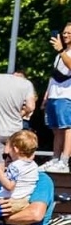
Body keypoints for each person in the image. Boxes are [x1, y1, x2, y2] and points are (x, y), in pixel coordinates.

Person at [0, 69, 35, 161]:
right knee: (16, 163)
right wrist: (20, 114)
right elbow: (31, 106)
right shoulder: (27, 84)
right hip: (15, 130)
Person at [45, 22, 71, 173]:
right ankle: (55, 159)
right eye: (64, 32)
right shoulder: (59, 55)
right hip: (54, 94)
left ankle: (65, 160)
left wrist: (61, 50)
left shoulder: (65, 53)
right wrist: (47, 95)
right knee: (57, 129)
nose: (65, 35)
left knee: (67, 127)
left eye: (69, 33)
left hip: (67, 95)